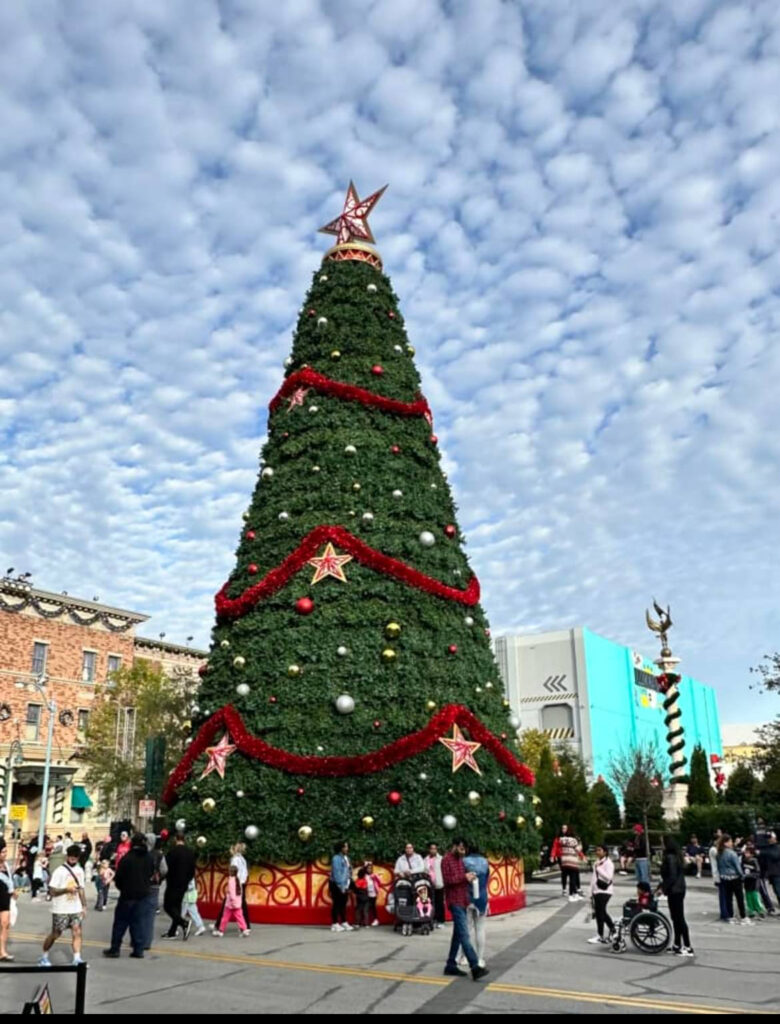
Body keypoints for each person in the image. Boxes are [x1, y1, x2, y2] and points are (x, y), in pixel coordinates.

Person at [441, 837, 489, 981]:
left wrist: (469, 877)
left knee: (458, 935)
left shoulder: (461, 860)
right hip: (454, 901)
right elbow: (448, 880)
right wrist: (464, 877)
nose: (463, 851)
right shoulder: (446, 860)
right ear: (454, 846)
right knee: (464, 935)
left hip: (463, 901)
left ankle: (450, 964)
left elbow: (462, 879)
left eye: (464, 849)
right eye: (461, 848)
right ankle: (475, 966)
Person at [103, 832, 154, 959]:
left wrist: (123, 888)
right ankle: (138, 949)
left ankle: (115, 949)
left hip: (127, 894)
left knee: (120, 923)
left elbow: (119, 878)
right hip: (142, 894)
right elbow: (151, 873)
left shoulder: (127, 858)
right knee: (138, 923)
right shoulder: (148, 858)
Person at [39, 844, 87, 967]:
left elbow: (81, 889)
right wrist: (66, 890)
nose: (73, 859)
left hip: (75, 908)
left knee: (77, 931)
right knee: (56, 933)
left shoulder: (80, 871)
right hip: (61, 908)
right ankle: (44, 956)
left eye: (75, 857)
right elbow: (52, 891)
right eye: (71, 857)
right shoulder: (59, 871)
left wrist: (84, 906)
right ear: (67, 856)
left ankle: (77, 958)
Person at [658, 836, 694, 956]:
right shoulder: (675, 857)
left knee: (679, 918)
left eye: (662, 843)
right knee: (676, 918)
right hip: (677, 889)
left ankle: (687, 946)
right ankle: (677, 943)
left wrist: (663, 888)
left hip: (675, 890)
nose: (661, 846)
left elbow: (671, 876)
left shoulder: (670, 858)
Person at [163, 833, 196, 939]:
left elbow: (166, 868)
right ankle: (172, 931)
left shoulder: (172, 852)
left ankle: (184, 923)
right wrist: (187, 880)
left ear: (176, 839)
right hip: (183, 884)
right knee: (177, 906)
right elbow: (192, 870)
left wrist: (165, 878)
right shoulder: (190, 853)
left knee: (167, 906)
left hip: (173, 883)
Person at [462, 843, 489, 968]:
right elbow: (487, 880)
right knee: (480, 929)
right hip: (481, 897)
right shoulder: (485, 862)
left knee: (466, 929)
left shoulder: (464, 861)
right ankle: (480, 959)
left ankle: (464, 957)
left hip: (467, 897)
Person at [717, 834, 752, 926]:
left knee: (728, 898)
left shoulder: (719, 853)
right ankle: (743, 916)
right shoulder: (732, 854)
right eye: (730, 841)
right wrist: (742, 875)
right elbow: (737, 867)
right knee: (739, 898)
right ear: (725, 843)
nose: (731, 843)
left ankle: (731, 916)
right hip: (735, 877)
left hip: (724, 877)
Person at [142, 834, 167, 951]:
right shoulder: (159, 854)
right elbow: (164, 870)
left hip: (141, 885)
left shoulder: (141, 853)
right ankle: (147, 941)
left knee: (139, 914)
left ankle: (137, 938)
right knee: (149, 915)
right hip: (154, 886)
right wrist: (159, 878)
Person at [587, 844, 615, 946]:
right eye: (596, 850)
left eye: (599, 850)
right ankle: (613, 930)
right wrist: (590, 891)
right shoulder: (597, 862)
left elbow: (609, 877)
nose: (597, 852)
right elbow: (594, 878)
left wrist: (599, 869)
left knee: (600, 913)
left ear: (605, 852)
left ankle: (600, 935)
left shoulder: (608, 863)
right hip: (597, 890)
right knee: (602, 912)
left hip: (605, 891)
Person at [212, 865, 249, 936]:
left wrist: (232, 901)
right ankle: (244, 929)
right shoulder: (237, 879)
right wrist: (237, 901)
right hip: (237, 903)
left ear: (230, 872)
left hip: (230, 903)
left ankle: (221, 931)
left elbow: (232, 892)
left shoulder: (231, 880)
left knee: (225, 917)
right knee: (240, 917)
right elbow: (240, 892)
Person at [552, 825, 585, 900]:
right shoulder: (572, 840)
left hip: (564, 859)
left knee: (571, 875)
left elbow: (555, 847)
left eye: (565, 828)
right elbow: (578, 849)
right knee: (571, 876)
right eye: (563, 828)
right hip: (570, 859)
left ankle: (575, 891)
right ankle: (571, 893)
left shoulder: (561, 839)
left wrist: (553, 856)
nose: (564, 830)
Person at [329, 840, 353, 933]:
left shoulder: (346, 858)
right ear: (341, 848)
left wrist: (348, 883)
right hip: (337, 884)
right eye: (345, 847)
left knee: (343, 903)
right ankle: (334, 924)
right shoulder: (336, 858)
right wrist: (341, 885)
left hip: (345, 883)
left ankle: (343, 922)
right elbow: (337, 873)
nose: (347, 848)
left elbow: (348, 870)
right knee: (337, 903)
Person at [0, 845, 17, 961]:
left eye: (6, 852)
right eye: (2, 852)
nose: (5, 854)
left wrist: (13, 891)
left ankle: (2, 952)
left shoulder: (6, 865)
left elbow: (9, 880)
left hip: (5, 898)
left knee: (5, 924)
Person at [230, 842, 251, 932]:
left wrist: (233, 882)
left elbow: (234, 872)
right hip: (242, 882)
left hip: (237, 883)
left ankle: (245, 925)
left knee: (230, 902)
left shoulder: (235, 859)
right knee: (242, 903)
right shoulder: (242, 859)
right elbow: (245, 872)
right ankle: (246, 925)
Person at [741, 842, 764, 919]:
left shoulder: (754, 861)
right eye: (745, 853)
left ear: (752, 854)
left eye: (747, 853)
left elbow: (757, 872)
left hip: (754, 882)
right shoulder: (743, 861)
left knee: (755, 896)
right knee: (748, 896)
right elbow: (742, 869)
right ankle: (751, 911)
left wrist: (748, 875)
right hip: (747, 881)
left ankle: (760, 910)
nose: (746, 854)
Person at [426, 842, 446, 928]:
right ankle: (433, 919)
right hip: (429, 885)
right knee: (430, 903)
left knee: (439, 903)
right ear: (429, 849)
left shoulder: (441, 859)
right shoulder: (425, 859)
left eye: (435, 848)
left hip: (439, 883)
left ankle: (441, 921)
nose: (433, 850)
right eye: (431, 848)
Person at [758, 831, 780, 905]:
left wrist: (762, 853)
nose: (768, 839)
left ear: (775, 838)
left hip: (777, 873)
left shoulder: (777, 847)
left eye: (770, 837)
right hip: (771, 873)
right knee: (776, 891)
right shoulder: (767, 848)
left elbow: (775, 856)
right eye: (767, 838)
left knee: (778, 890)